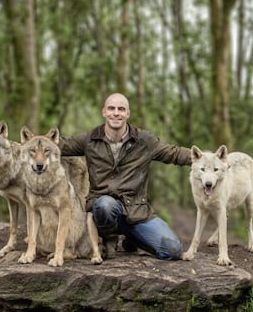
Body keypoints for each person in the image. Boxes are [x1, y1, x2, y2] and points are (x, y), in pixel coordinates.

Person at [60, 93, 191, 260]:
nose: (116, 113)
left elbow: (173, 153)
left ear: (128, 114)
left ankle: (133, 238)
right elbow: (60, 145)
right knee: (105, 205)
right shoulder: (89, 139)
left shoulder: (144, 141)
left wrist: (207, 158)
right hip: (103, 211)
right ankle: (109, 237)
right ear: (104, 112)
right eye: (111, 108)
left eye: (121, 109)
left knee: (173, 250)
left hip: (137, 212)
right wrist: (27, 146)